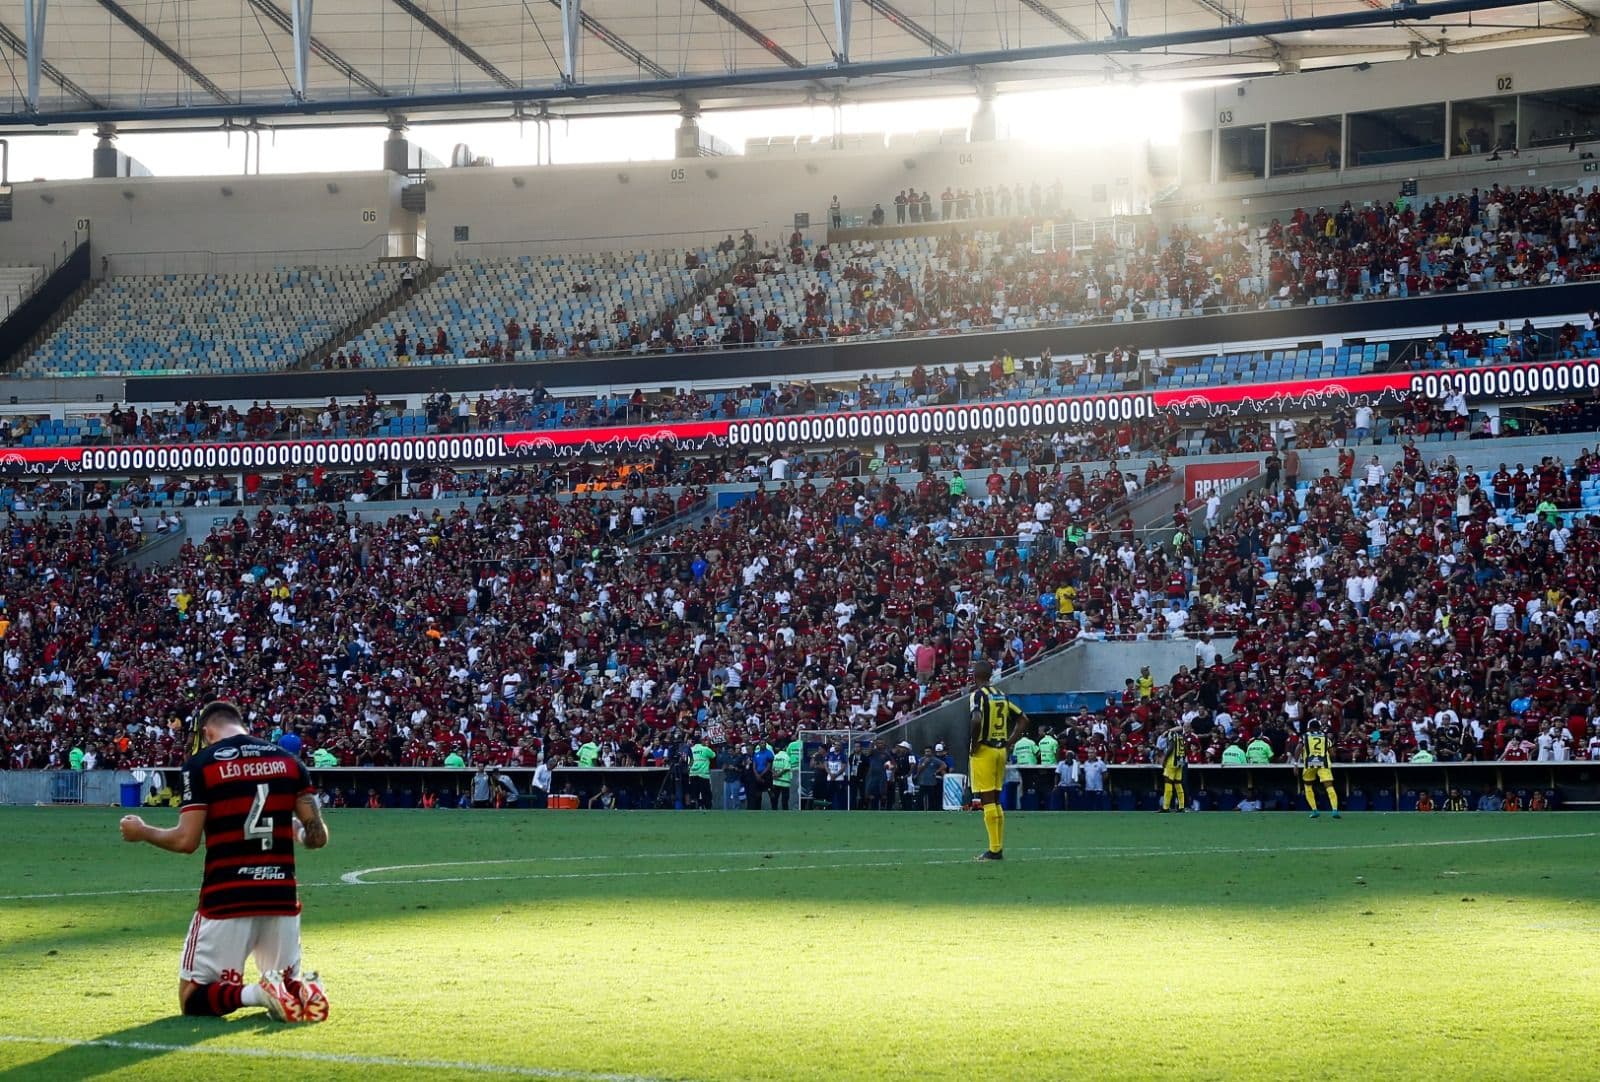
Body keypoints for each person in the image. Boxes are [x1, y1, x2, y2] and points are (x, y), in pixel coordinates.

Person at [117, 700, 329, 1023]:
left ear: (207, 732)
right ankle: (302, 989)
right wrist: (297, 830)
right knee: (286, 985)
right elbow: (318, 837)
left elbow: (186, 841)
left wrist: (143, 831)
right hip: (280, 897)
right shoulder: (289, 762)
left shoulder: (202, 765)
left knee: (192, 997)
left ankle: (256, 993)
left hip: (227, 896)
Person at [969, 660, 1028, 860]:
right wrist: (1009, 742)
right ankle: (997, 846)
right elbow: (1023, 719)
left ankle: (994, 849)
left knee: (986, 799)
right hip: (1000, 750)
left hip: (985, 749)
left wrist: (974, 744)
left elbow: (976, 719)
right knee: (995, 798)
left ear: (975, 676)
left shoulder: (978, 695)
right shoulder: (1000, 695)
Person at [1297, 719, 1341, 819]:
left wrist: (1296, 763)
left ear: (1310, 728)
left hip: (1309, 763)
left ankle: (1314, 810)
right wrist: (1332, 758)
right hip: (1323, 763)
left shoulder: (1305, 736)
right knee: (1329, 786)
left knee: (1308, 786)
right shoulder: (1325, 737)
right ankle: (1334, 810)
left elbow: (1298, 748)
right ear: (1319, 727)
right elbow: (1332, 753)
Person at [1158, 722, 1187, 813]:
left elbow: (1171, 747)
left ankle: (1165, 807)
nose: (1161, 729)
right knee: (1178, 783)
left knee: (1168, 782)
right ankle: (1181, 806)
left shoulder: (1171, 734)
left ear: (1168, 727)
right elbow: (1185, 747)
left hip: (1172, 761)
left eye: (1163, 727)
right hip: (1180, 761)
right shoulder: (1180, 735)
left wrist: (1164, 759)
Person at [687, 737, 715, 809]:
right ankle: (707, 808)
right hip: (703, 774)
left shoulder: (691, 750)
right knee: (706, 793)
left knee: (694, 793)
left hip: (693, 773)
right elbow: (713, 755)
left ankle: (694, 808)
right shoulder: (705, 749)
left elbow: (689, 762)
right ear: (701, 741)